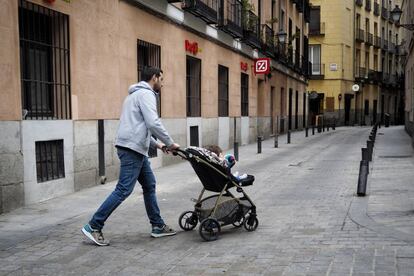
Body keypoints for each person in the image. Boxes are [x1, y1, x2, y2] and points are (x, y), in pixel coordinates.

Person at [81, 66, 180, 246]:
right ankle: (94, 225)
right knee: (123, 190)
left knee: (149, 185)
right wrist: (171, 142)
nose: (163, 84)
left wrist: (159, 144)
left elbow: (138, 127)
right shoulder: (146, 94)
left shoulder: (132, 96)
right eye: (162, 79)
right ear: (154, 77)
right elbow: (153, 123)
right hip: (132, 150)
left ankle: (157, 226)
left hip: (134, 148)